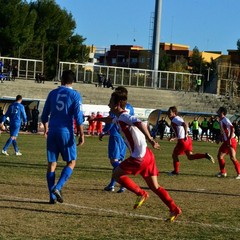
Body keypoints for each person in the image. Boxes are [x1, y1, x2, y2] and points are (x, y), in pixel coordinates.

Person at [99, 90, 182, 222]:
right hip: (147, 155)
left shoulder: (124, 117)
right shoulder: (119, 117)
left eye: (111, 101)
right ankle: (174, 208)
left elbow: (140, 123)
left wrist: (151, 139)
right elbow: (110, 119)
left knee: (116, 174)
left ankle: (141, 193)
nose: (108, 104)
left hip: (139, 157)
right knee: (155, 186)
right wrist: (96, 119)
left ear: (117, 104)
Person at [41, 70, 85, 204]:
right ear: (74, 81)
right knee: (71, 162)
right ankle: (57, 188)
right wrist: (82, 133)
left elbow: (44, 116)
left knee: (52, 164)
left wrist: (47, 129)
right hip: (66, 132)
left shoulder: (52, 93)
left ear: (61, 80)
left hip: (53, 131)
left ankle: (51, 197)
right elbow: (78, 117)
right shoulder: (75, 95)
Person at [167, 106, 215, 176]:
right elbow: (181, 130)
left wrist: (186, 134)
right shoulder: (177, 119)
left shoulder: (175, 119)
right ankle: (205, 155)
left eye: (170, 112)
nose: (168, 114)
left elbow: (185, 125)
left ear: (174, 113)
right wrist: (174, 138)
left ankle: (175, 171)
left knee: (174, 155)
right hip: (188, 140)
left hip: (183, 141)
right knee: (190, 157)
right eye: (168, 112)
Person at [216, 107, 240, 179]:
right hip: (226, 141)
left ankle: (239, 173)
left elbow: (232, 128)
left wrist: (229, 139)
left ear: (222, 112)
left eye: (219, 111)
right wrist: (219, 138)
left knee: (232, 157)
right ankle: (223, 172)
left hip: (231, 140)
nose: (217, 112)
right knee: (219, 156)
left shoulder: (225, 120)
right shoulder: (221, 120)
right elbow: (223, 132)